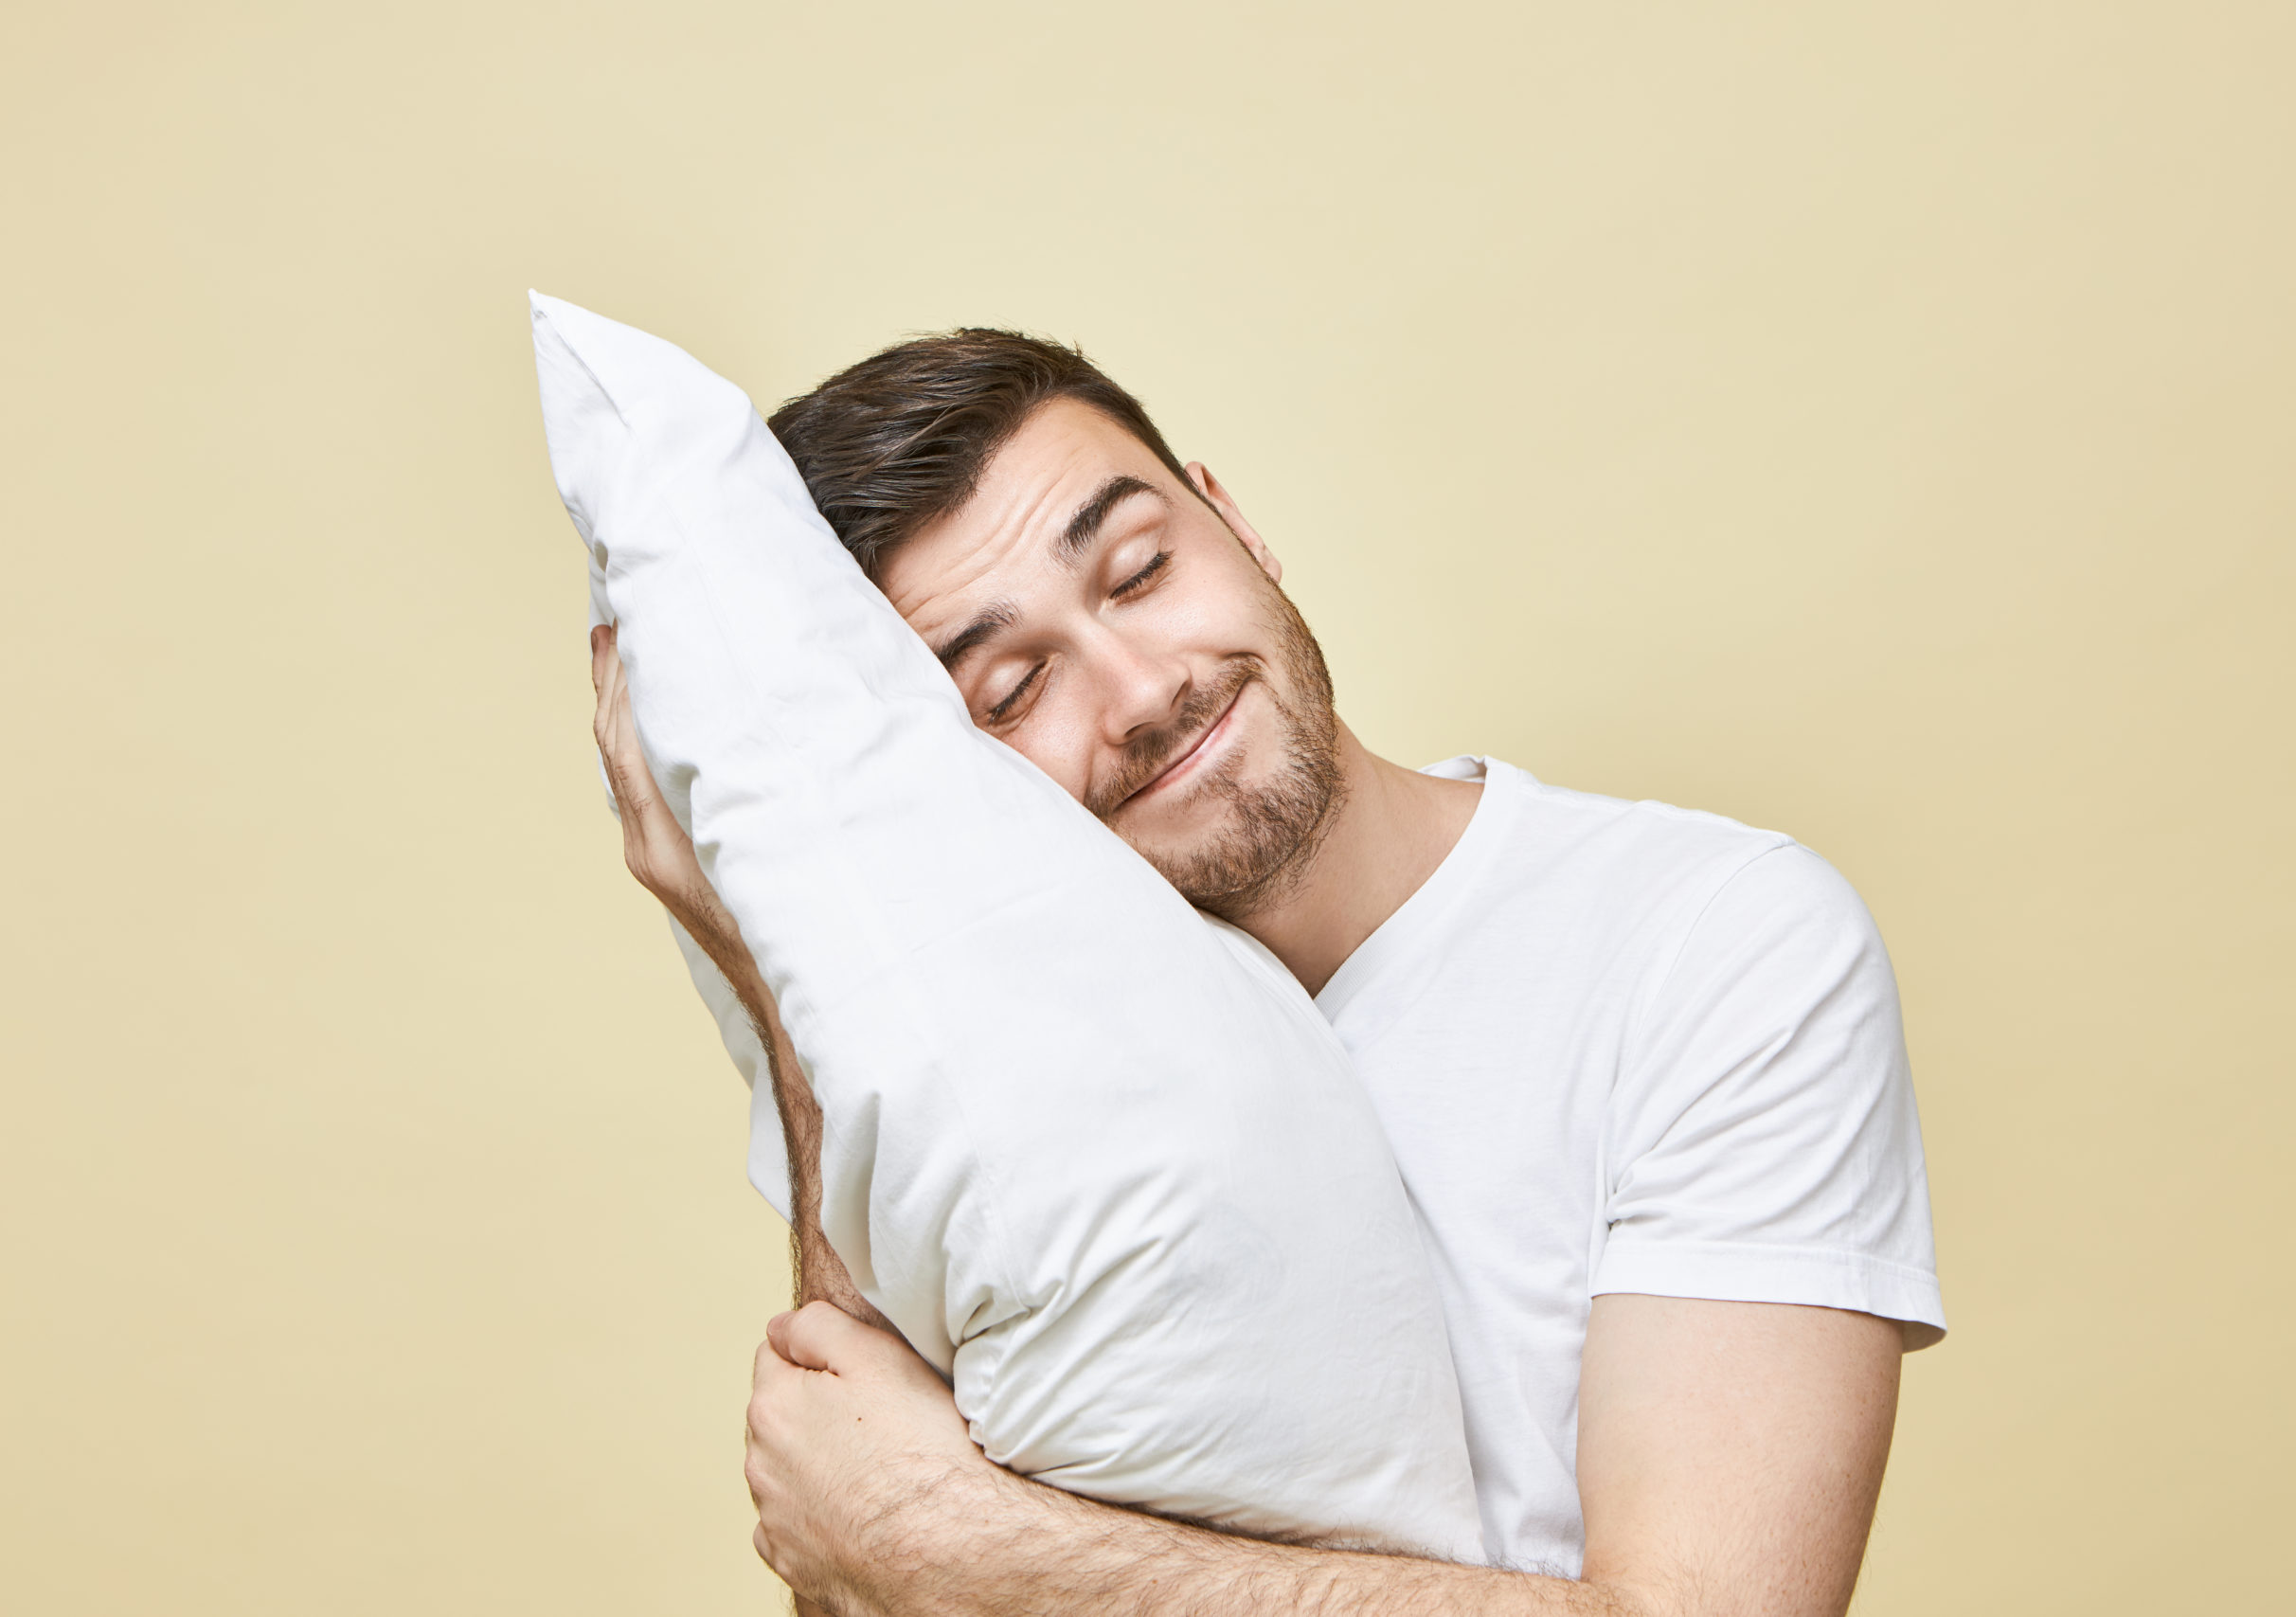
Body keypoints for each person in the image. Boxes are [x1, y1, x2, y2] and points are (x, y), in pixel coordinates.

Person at [586, 330, 1945, 1616]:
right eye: (1009, 691)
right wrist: (791, 975)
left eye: (1139, 570)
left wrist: (959, 1541)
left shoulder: (1712, 943)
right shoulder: (1004, 1076)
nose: (1140, 686)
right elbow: (852, 1561)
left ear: (1236, 524)